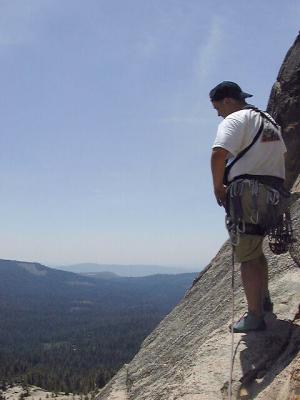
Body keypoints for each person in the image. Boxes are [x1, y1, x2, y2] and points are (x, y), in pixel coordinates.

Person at [210, 81, 287, 333]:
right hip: (275, 193)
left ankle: (255, 316)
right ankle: (264, 304)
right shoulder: (269, 122)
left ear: (228, 100)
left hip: (249, 195)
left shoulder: (235, 119)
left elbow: (219, 154)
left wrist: (219, 188)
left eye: (217, 107)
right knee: (256, 251)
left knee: (248, 256)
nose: (219, 113)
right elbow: (280, 157)